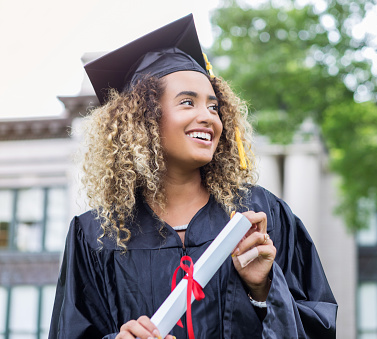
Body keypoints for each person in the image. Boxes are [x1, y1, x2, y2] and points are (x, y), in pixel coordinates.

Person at [49, 14, 337, 339]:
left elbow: (319, 326)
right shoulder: (97, 236)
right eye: (188, 102)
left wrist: (263, 291)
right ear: (144, 119)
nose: (208, 118)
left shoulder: (259, 216)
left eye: (214, 107)